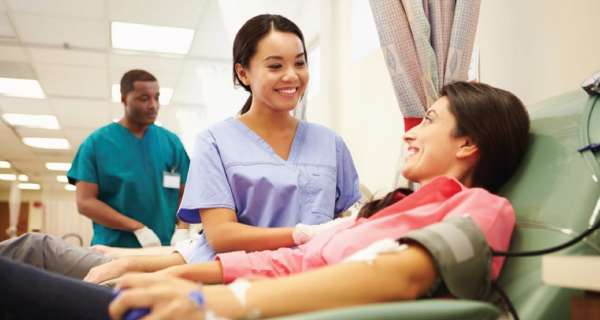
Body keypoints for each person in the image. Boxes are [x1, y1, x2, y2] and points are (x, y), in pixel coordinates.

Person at [0, 79, 531, 320]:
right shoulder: (391, 208)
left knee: (22, 262)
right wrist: (181, 274)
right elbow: (286, 259)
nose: (411, 132)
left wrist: (214, 305)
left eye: (431, 120)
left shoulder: (479, 209)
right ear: (244, 75)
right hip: (220, 295)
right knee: (29, 250)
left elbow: (403, 274)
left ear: (468, 143)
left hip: (228, 313)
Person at [0, 14, 361, 281]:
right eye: (275, 65)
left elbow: (345, 227)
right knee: (36, 250)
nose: (292, 76)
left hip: (257, 275)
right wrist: (304, 232)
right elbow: (220, 236)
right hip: (202, 262)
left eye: (300, 63)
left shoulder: (330, 144)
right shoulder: (216, 141)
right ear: (243, 73)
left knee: (42, 256)